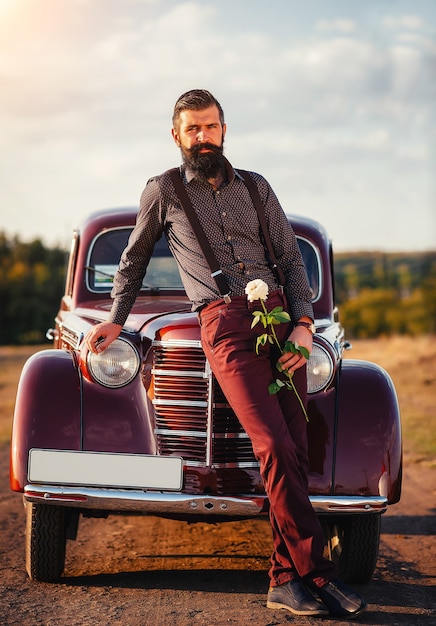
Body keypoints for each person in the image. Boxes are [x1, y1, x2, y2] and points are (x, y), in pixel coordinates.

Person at [85, 89, 367, 619]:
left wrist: (304, 326)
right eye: (192, 129)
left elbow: (289, 260)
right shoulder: (163, 190)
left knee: (298, 451)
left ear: (224, 130)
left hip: (283, 322)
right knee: (273, 446)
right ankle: (318, 570)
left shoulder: (257, 188)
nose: (202, 137)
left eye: (210, 127)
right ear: (176, 135)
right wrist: (117, 319)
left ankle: (284, 580)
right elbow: (134, 258)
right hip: (226, 326)